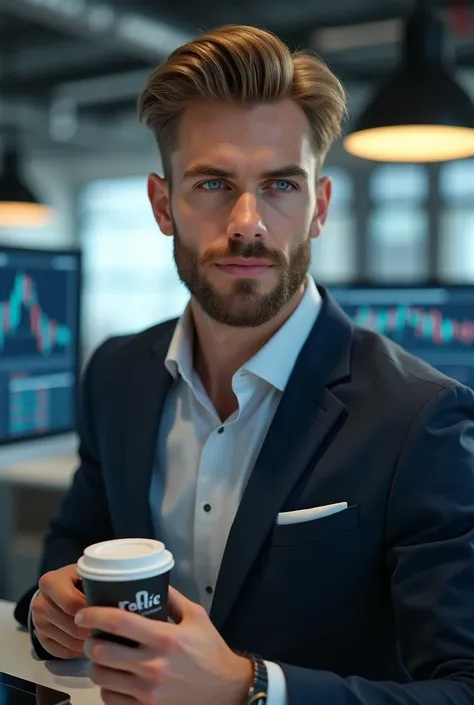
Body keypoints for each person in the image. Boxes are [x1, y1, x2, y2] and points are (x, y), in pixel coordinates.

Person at [14, 23, 474, 705]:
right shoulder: (116, 375)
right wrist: (47, 608)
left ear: (318, 208)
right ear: (163, 204)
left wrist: (252, 688)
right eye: (213, 183)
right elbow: (73, 549)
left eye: (281, 184)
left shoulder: (419, 416)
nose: (249, 221)